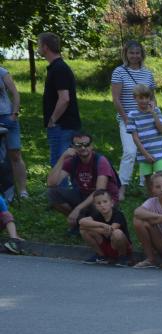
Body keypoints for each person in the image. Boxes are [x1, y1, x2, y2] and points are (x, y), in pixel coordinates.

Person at [47, 132, 120, 233]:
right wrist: (63, 157)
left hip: (105, 198)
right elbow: (51, 183)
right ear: (73, 147)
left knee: (98, 205)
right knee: (52, 193)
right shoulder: (72, 161)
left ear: (92, 146)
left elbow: (100, 191)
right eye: (78, 145)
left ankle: (87, 223)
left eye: (86, 144)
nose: (83, 148)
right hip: (84, 194)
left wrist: (77, 209)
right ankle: (79, 222)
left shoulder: (101, 161)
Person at [111, 40, 156, 197]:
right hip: (128, 119)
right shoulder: (119, 72)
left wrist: (154, 113)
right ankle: (122, 187)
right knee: (130, 152)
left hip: (146, 120)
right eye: (131, 53)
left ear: (142, 54)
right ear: (126, 54)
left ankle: (146, 186)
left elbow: (152, 97)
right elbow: (116, 99)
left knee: (147, 152)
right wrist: (126, 119)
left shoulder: (148, 73)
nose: (135, 56)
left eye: (137, 53)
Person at [38, 32, 81, 166]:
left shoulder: (59, 68)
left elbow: (64, 99)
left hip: (62, 126)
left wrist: (52, 120)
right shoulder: (56, 67)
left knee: (60, 165)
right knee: (62, 164)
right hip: (62, 126)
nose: (38, 49)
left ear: (45, 47)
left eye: (39, 45)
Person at [126, 84, 162, 188]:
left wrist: (153, 113)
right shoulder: (132, 115)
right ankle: (151, 197)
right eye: (141, 98)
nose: (144, 100)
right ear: (135, 98)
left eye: (146, 97)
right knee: (148, 180)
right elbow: (135, 138)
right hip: (144, 153)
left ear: (150, 98)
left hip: (158, 152)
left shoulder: (156, 111)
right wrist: (146, 154)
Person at [78, 188, 131, 266]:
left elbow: (110, 231)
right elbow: (81, 222)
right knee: (83, 230)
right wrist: (102, 225)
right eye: (98, 203)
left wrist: (91, 227)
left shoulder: (118, 214)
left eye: (105, 202)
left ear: (112, 203)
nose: (102, 205)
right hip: (107, 246)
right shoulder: (98, 215)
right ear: (95, 206)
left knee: (117, 233)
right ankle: (101, 256)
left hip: (119, 246)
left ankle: (123, 257)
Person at [0, 66, 28, 198]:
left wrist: (14, 114)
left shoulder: (2, 72)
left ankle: (23, 191)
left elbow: (15, 93)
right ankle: (5, 191)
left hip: (7, 116)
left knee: (15, 154)